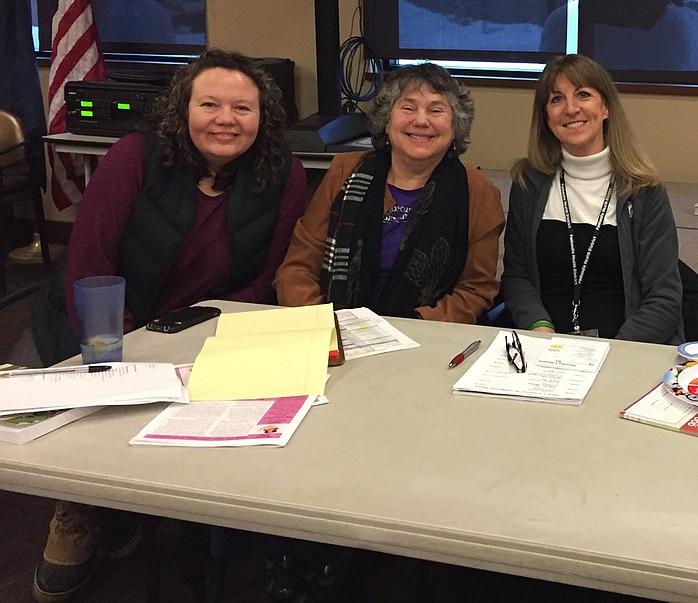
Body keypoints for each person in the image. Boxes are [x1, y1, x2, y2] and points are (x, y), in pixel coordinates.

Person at [34, 48, 308, 603]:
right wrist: (129, 345)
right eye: (209, 104)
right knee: (95, 412)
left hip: (207, 331)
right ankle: (78, 509)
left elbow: (270, 277)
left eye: (242, 108)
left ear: (264, 118)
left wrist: (205, 337)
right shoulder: (134, 157)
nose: (226, 119)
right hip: (104, 319)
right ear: (183, 109)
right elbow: (89, 265)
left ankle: (158, 506)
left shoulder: (286, 174)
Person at [275, 63, 503, 322]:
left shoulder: (477, 191)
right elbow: (297, 269)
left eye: (436, 110)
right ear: (386, 120)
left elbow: (476, 289)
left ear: (455, 127)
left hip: (423, 338)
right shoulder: (344, 171)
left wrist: (415, 329)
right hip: (332, 332)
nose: (420, 120)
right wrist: (322, 325)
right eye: (407, 107)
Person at [501, 54, 683, 342]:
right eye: (556, 99)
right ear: (546, 116)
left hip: (624, 350)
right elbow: (517, 277)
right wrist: (538, 328)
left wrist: (614, 352)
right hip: (546, 349)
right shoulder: (529, 185)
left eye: (583, 94)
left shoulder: (644, 191)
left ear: (606, 107)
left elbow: (664, 298)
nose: (571, 109)